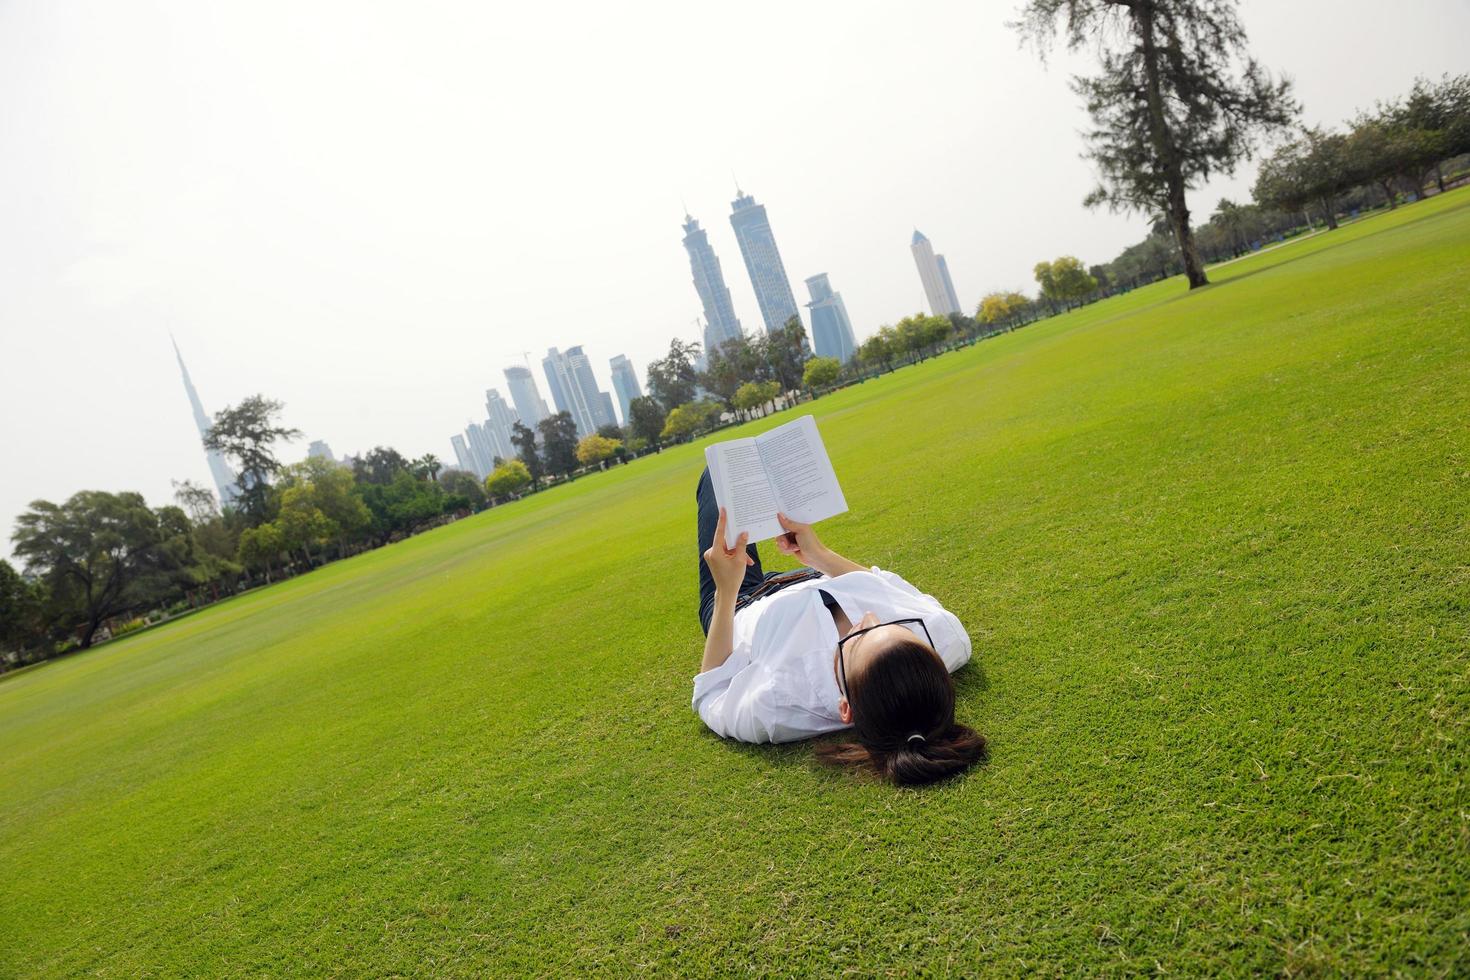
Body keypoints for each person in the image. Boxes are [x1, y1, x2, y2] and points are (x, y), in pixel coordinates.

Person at [691, 468, 986, 786]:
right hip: (814, 574)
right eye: (893, 624)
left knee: (718, 473)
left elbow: (711, 693)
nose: (870, 618)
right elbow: (882, 586)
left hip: (742, 599)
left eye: (857, 637)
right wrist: (818, 555)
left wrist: (726, 590)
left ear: (845, 708)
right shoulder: (945, 638)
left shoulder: (777, 708)